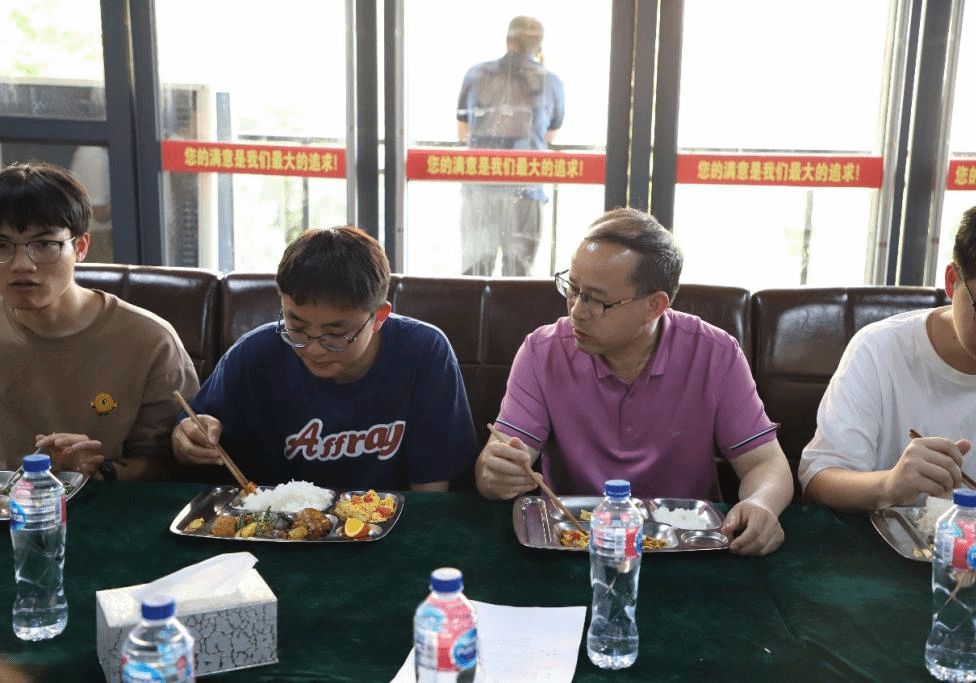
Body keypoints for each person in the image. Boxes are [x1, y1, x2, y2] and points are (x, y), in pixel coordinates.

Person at [475, 207, 793, 555]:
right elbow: (502, 458)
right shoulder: (543, 351)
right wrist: (496, 472)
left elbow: (765, 463)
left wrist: (761, 503)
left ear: (654, 306)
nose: (576, 310)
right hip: (574, 543)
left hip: (685, 548)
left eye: (596, 299)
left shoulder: (715, 354)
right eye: (572, 288)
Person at [172, 225, 478, 491]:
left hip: (389, 525)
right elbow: (190, 434)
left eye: (335, 334)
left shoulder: (424, 352)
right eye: (296, 328)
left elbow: (433, 489)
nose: (314, 349)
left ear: (379, 317)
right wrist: (187, 440)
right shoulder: (254, 354)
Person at [800, 195, 976, 511]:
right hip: (884, 539)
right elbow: (819, 480)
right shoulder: (881, 349)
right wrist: (889, 485)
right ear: (952, 281)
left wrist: (966, 504)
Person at [0, 161, 199, 479]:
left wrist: (96, 469)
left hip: (108, 505)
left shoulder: (150, 341)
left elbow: (171, 466)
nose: (22, 264)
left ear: (80, 247)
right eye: (2, 246)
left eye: (44, 244)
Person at [456, 15, 565, 276]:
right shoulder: (551, 81)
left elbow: (463, 132)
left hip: (480, 188)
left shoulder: (475, 74)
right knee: (518, 277)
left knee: (474, 274)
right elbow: (550, 135)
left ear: (508, 41)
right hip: (526, 188)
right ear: (538, 47)